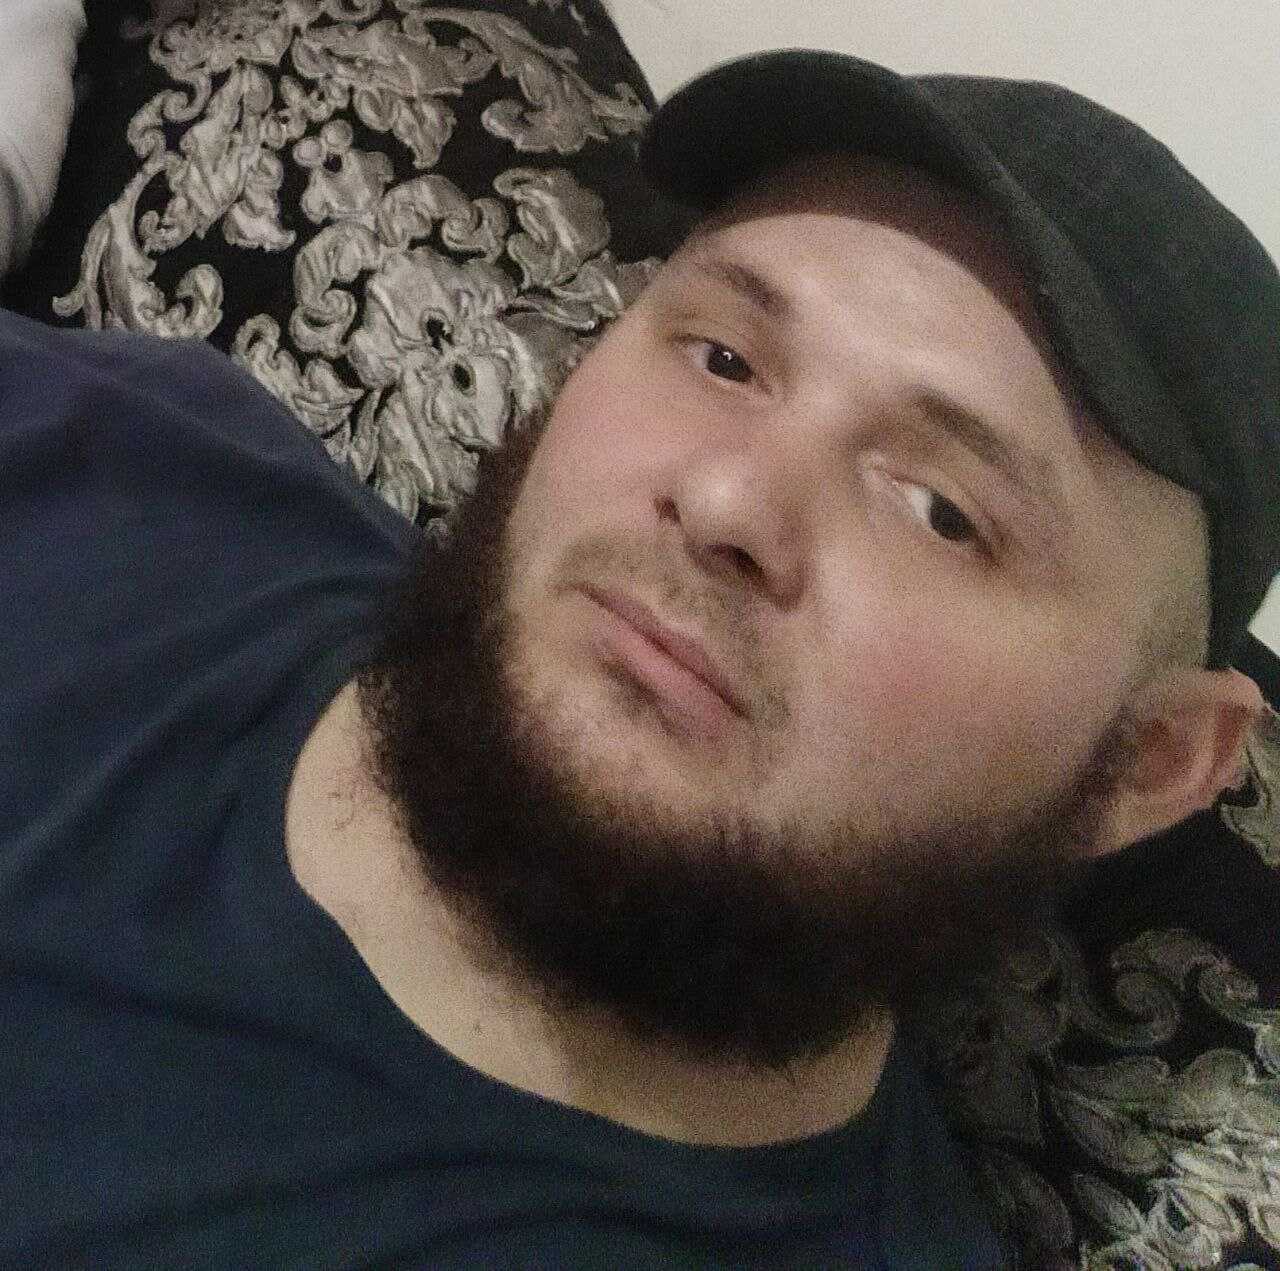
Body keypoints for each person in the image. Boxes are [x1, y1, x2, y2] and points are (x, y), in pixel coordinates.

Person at [2, 47, 1277, 1269]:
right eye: (724, 358)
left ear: (1147, 761)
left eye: (942, 511)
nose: (726, 500)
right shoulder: (125, 447)